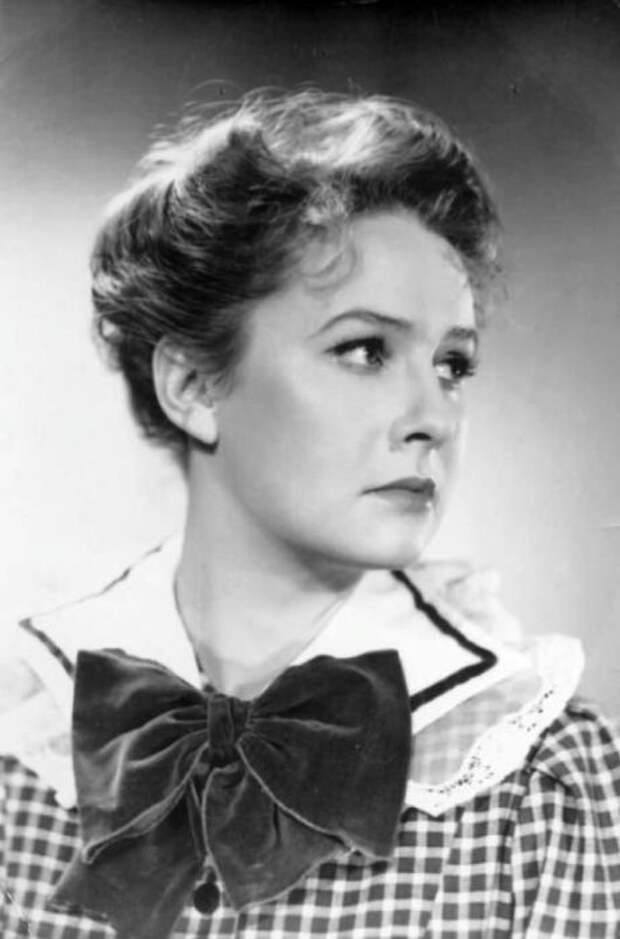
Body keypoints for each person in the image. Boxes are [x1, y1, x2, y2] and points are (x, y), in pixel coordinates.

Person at [1, 89, 619, 939]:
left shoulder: (545, 785)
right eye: (364, 350)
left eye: (452, 364)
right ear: (193, 385)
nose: (432, 417)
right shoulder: (23, 751)